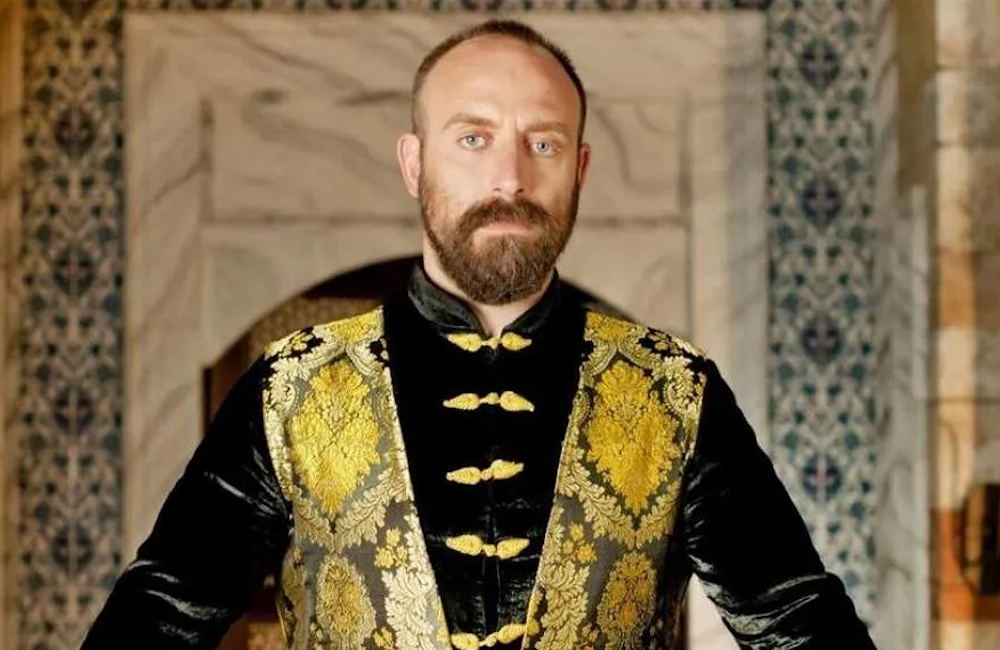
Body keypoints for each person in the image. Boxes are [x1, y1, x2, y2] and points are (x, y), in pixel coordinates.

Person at [79, 18, 877, 650]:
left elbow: (797, 618)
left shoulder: (674, 391)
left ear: (579, 170)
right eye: (473, 138)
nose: (510, 178)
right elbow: (158, 618)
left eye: (543, 143)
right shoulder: (292, 387)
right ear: (414, 164)